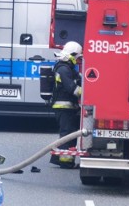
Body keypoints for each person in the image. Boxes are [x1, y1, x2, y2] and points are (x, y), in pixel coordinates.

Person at [50, 41, 83, 169]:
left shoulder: (67, 68)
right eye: (78, 57)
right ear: (73, 54)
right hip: (63, 107)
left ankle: (61, 159)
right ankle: (64, 161)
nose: (78, 60)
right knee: (67, 134)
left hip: (68, 107)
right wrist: (85, 93)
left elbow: (78, 79)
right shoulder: (63, 69)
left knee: (68, 133)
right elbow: (71, 88)